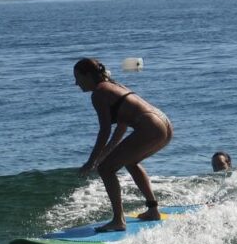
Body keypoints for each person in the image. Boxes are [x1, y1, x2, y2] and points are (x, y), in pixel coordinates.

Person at [74, 57, 173, 232]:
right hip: (164, 125)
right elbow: (120, 128)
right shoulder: (115, 86)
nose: (76, 83)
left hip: (150, 126)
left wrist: (92, 161)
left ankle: (118, 220)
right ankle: (153, 209)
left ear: (87, 75)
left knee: (105, 169)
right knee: (129, 161)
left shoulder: (99, 93)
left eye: (77, 78)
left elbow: (104, 131)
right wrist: (104, 155)